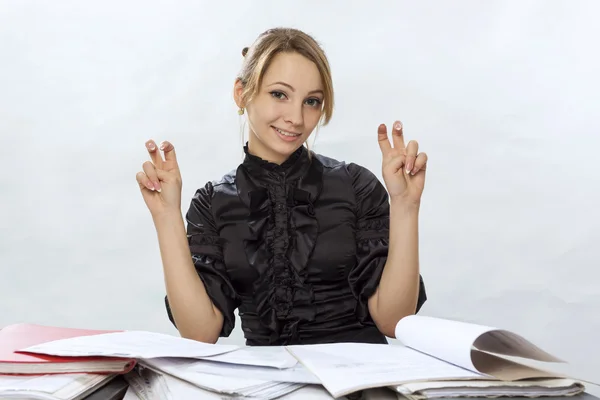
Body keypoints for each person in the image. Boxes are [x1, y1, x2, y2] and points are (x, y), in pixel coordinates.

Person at [136, 27, 428, 346]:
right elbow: (198, 332)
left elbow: (393, 321)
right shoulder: (213, 202)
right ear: (241, 93)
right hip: (267, 388)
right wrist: (166, 217)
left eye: (312, 101)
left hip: (357, 387)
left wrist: (405, 205)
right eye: (279, 94)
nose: (296, 118)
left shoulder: (356, 186)